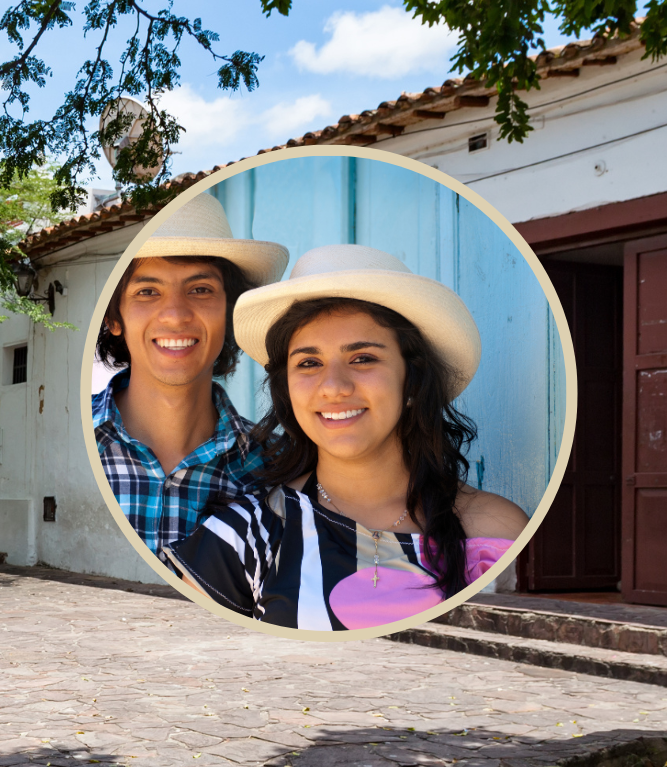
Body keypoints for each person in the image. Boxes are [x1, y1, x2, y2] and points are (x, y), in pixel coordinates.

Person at [164, 244, 529, 631]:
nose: (334, 387)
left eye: (362, 358)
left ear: (412, 381)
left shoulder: (495, 532)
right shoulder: (241, 537)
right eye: (309, 363)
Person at [92, 195, 290, 551]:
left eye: (200, 290)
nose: (176, 315)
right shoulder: (71, 436)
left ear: (230, 313)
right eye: (147, 291)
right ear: (114, 318)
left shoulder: (280, 469)